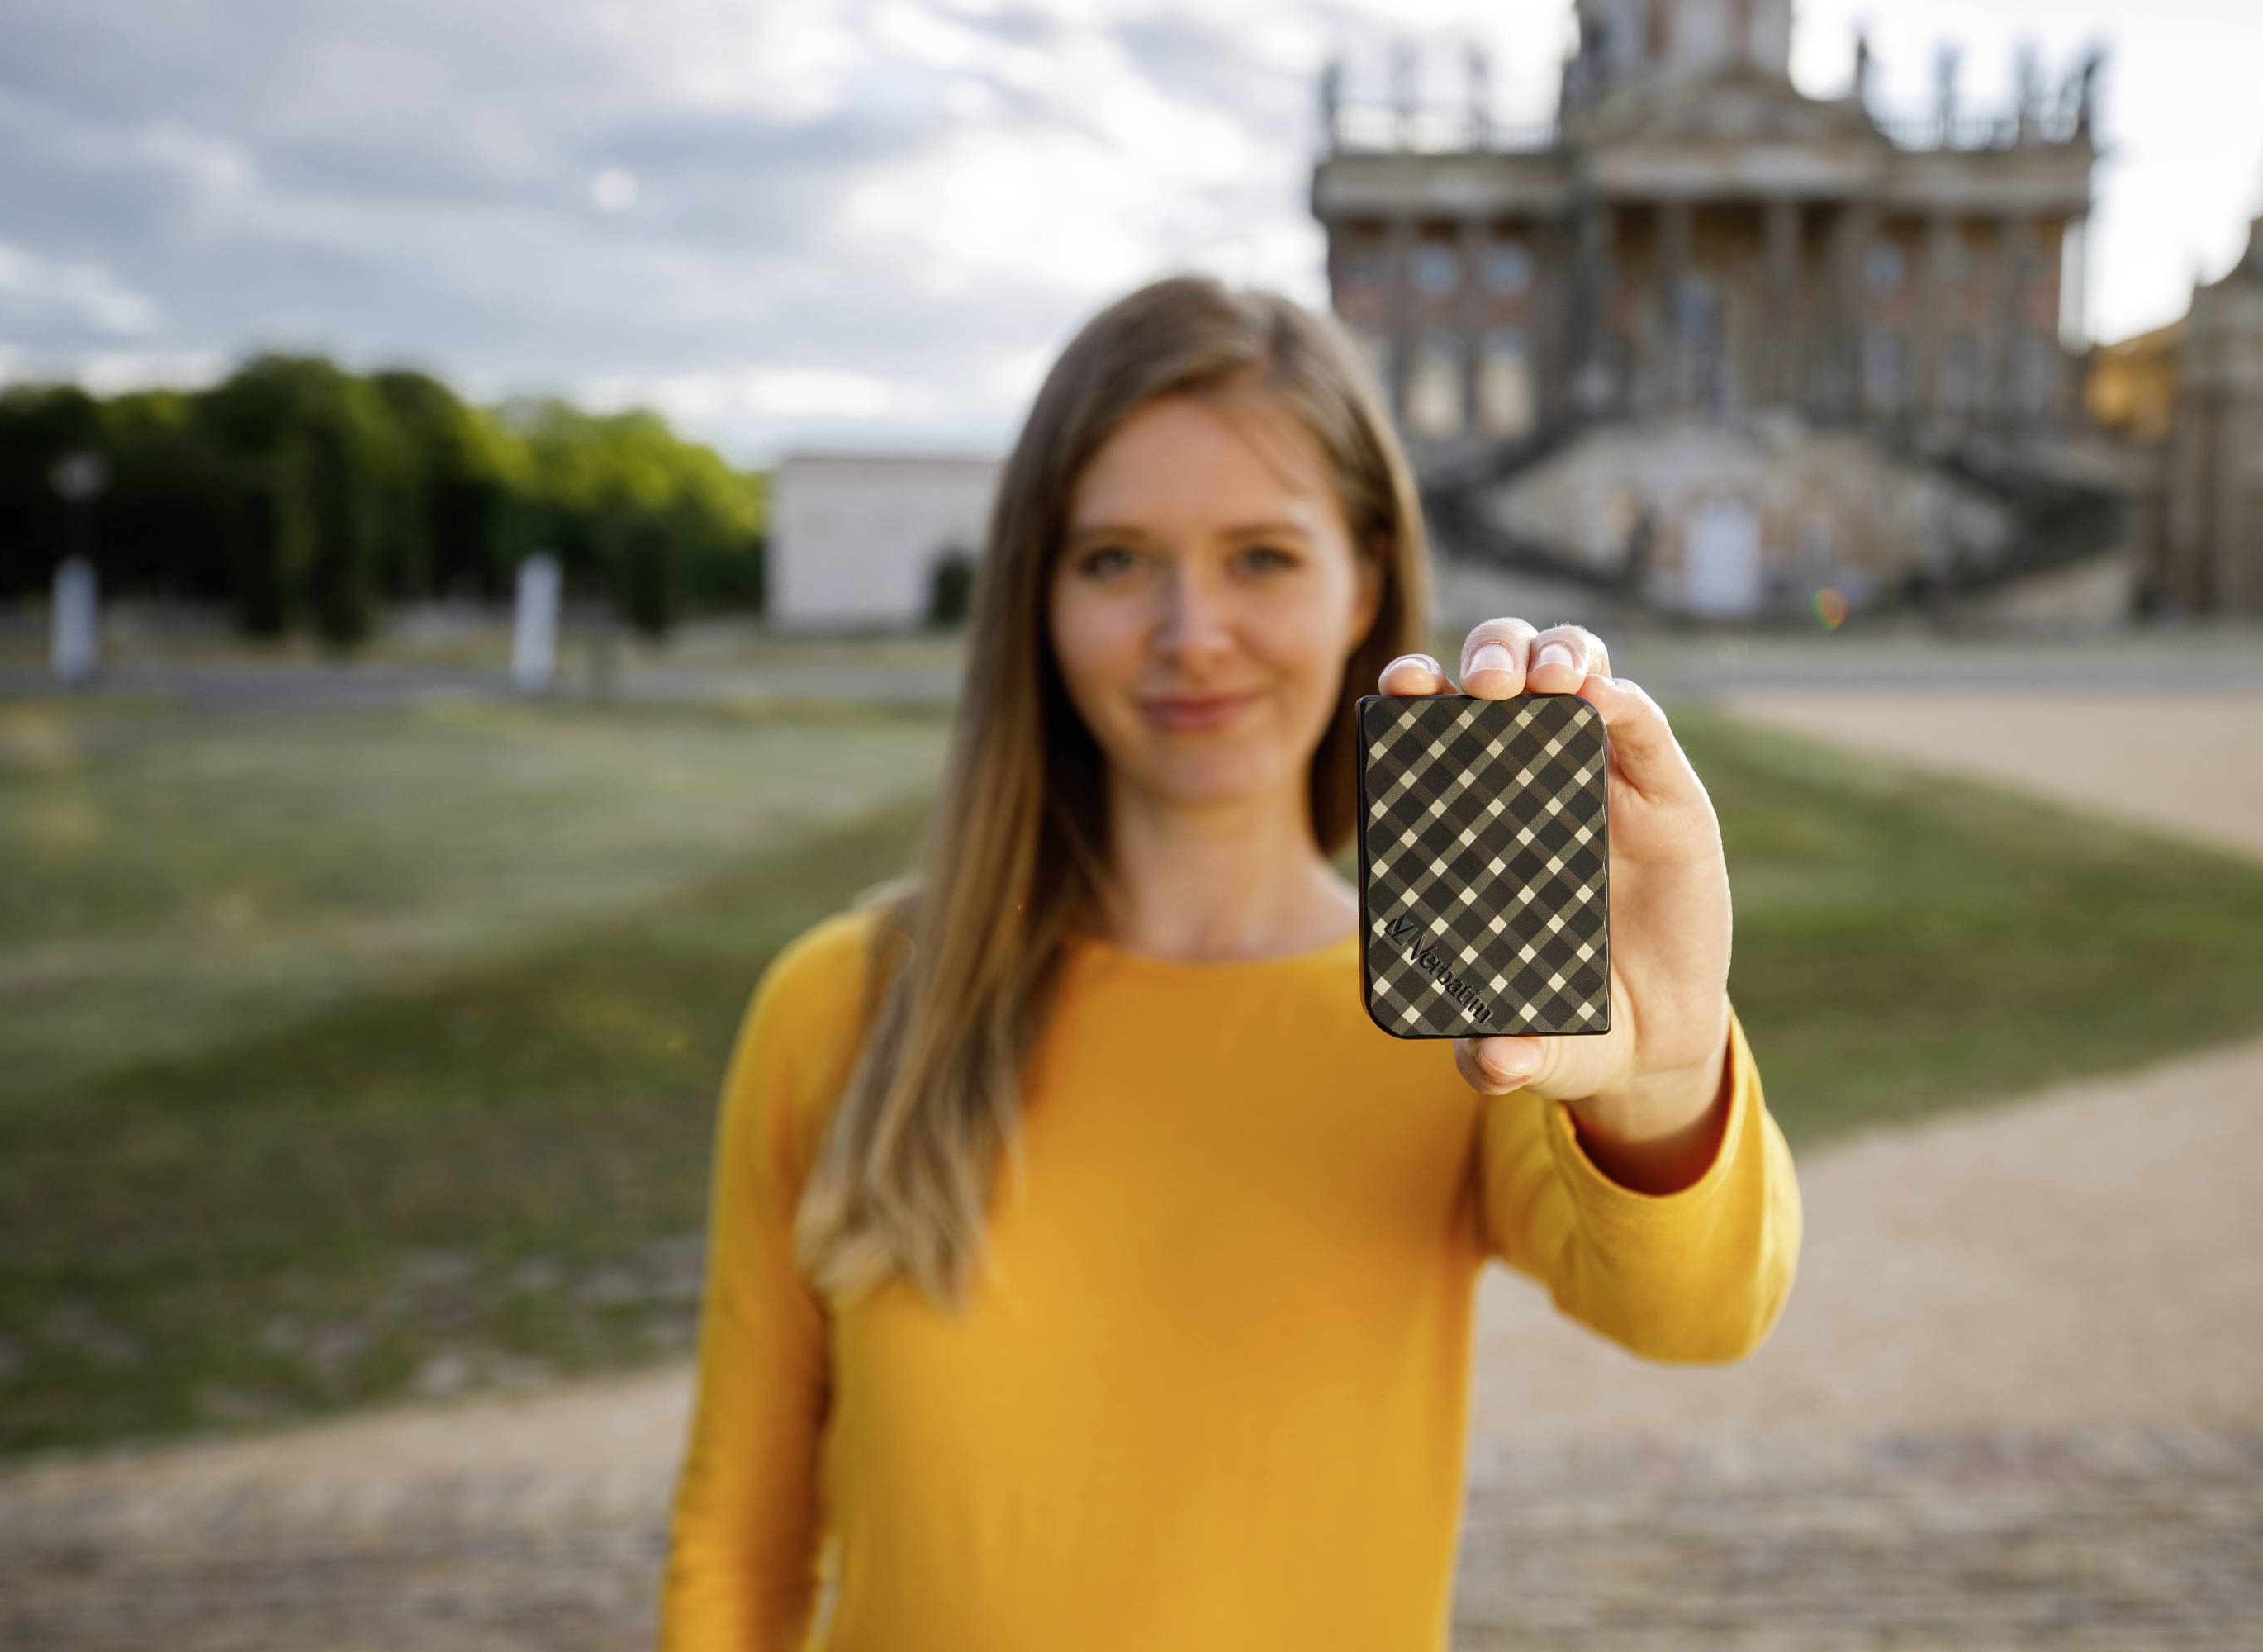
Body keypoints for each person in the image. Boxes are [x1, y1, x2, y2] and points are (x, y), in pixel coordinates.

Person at [657, 273, 1802, 1650]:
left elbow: (1699, 1314)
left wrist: (1667, 1077)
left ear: (1364, 579)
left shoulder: (1462, 1029)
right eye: (1117, 560)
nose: (1191, 633)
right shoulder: (840, 1006)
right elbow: (742, 1538)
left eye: (1261, 556)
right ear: (1039, 595)